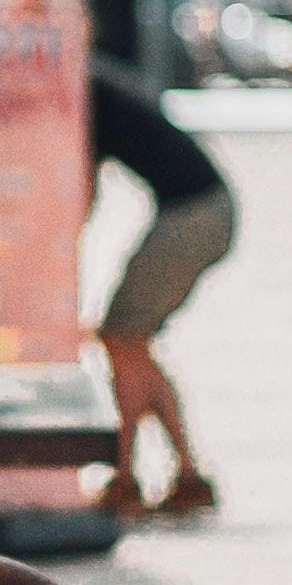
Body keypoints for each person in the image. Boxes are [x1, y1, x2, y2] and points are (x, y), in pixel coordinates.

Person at [89, 57, 237, 519]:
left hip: (194, 215)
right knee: (130, 342)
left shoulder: (83, 92)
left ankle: (128, 476)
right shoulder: (98, 79)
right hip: (206, 208)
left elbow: (81, 191)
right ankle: (186, 474)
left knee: (121, 337)